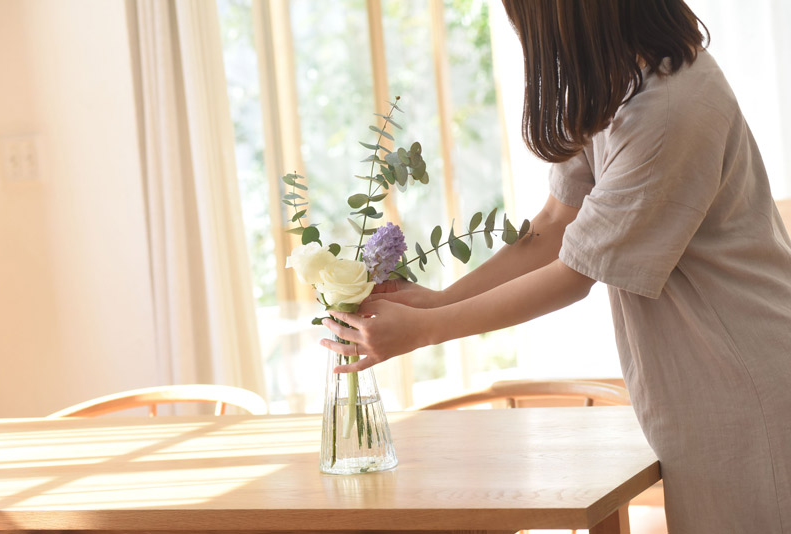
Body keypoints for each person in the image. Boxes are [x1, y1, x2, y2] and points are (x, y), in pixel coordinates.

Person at [321, 0, 791, 531]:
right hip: (706, 384)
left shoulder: (669, 107)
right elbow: (553, 223)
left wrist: (426, 329)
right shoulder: (616, 82)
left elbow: (574, 274)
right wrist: (438, 300)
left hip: (749, 386)